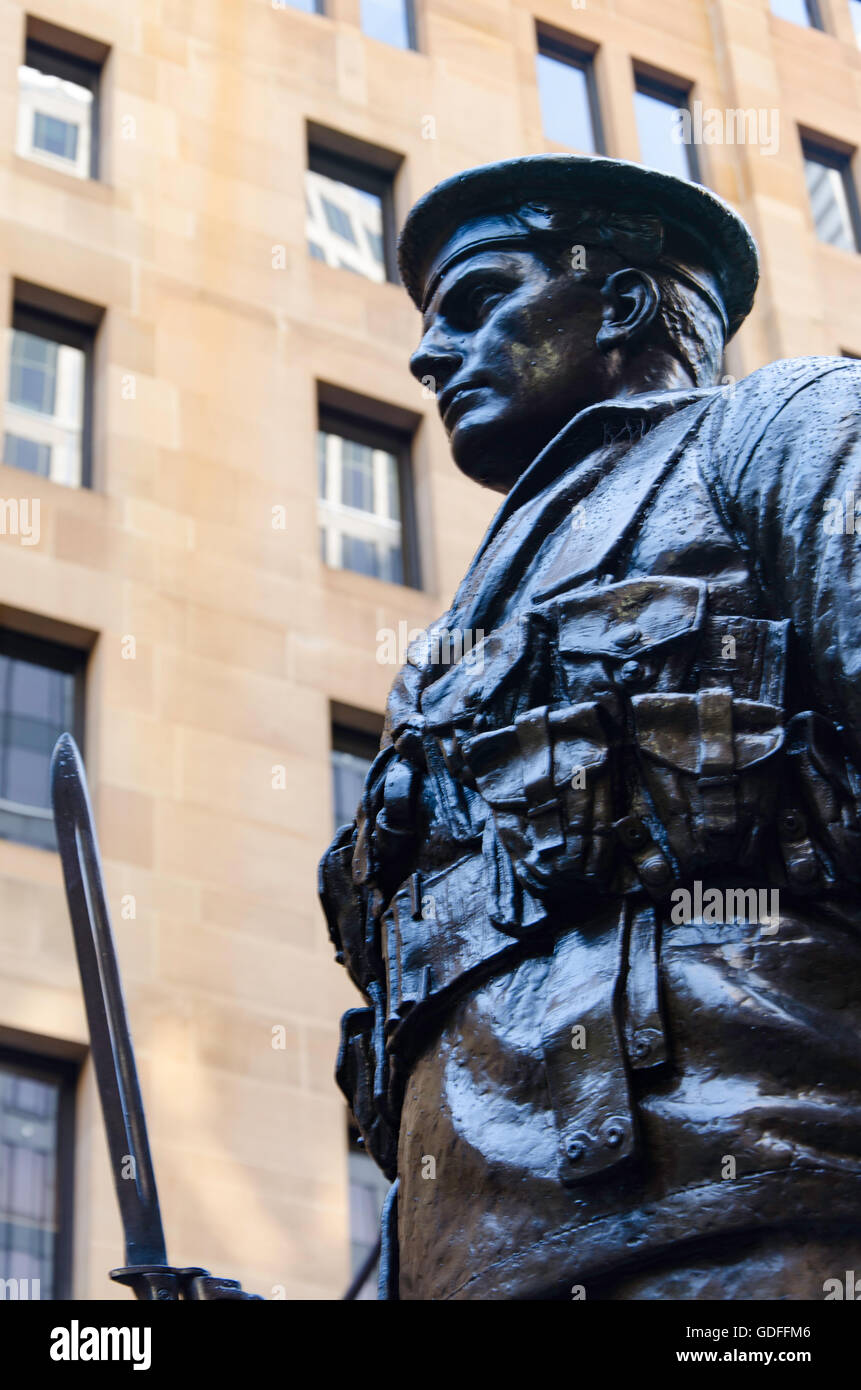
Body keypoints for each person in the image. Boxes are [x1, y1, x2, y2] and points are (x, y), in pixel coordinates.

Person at [319, 154, 861, 1299]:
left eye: (476, 301)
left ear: (618, 304)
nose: (428, 355)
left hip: (762, 1238)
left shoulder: (781, 429)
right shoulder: (442, 659)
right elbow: (451, 1045)